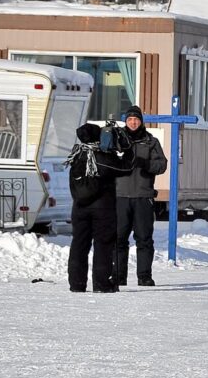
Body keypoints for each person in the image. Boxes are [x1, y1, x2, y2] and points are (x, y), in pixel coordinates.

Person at [65, 123, 134, 293]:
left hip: (79, 208)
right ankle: (102, 283)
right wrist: (126, 146)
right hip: (102, 210)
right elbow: (127, 166)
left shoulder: (76, 155)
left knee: (79, 245)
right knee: (103, 245)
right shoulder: (102, 157)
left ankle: (76, 283)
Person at [114, 105, 168, 287]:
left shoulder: (150, 141)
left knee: (144, 238)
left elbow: (162, 165)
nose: (133, 122)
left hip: (143, 197)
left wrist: (145, 163)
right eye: (130, 119)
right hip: (120, 196)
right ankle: (119, 275)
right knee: (119, 238)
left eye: (136, 119)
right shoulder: (117, 140)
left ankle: (144, 276)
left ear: (141, 121)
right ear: (125, 121)